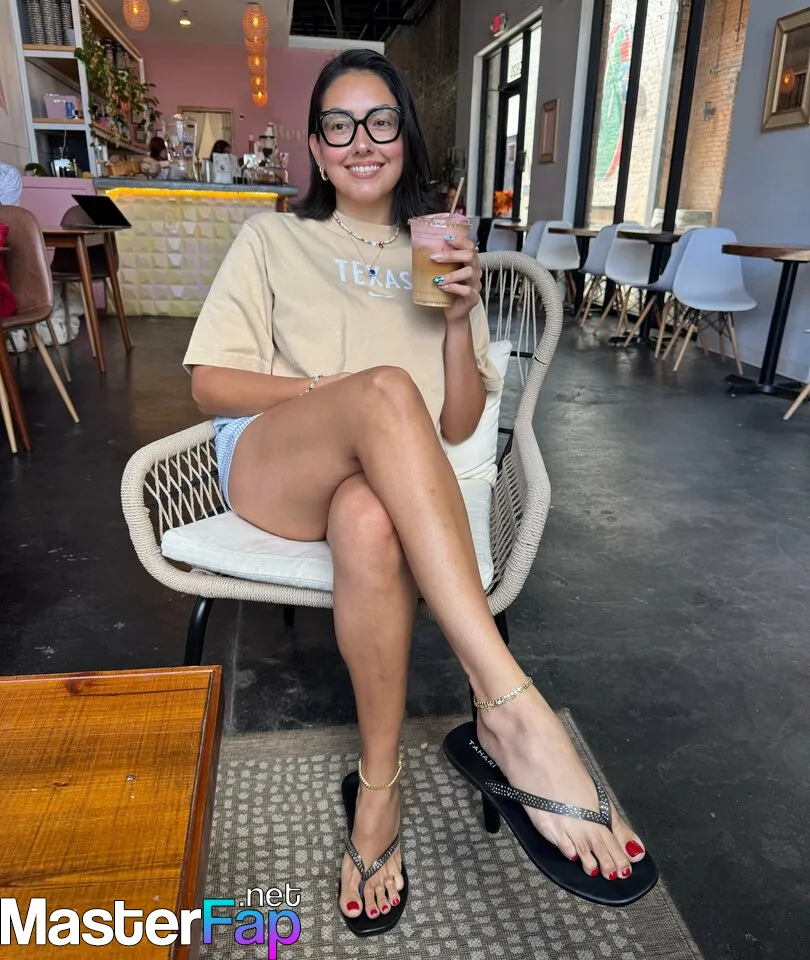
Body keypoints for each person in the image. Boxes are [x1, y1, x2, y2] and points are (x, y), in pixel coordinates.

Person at [183, 49, 650, 936]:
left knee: (369, 515)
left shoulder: (435, 251)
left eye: (381, 121)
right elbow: (210, 383)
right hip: (275, 465)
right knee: (383, 391)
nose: (361, 141)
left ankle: (378, 791)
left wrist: (460, 322)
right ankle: (509, 706)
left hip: (382, 486)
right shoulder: (272, 239)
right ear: (317, 150)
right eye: (339, 126)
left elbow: (461, 423)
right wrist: (338, 394)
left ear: (406, 138)